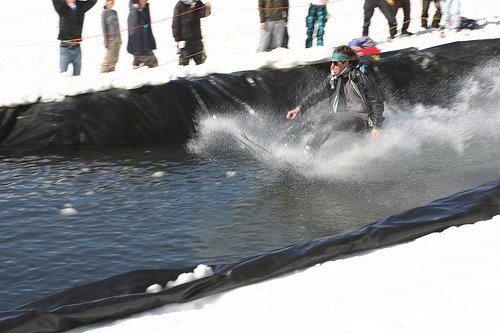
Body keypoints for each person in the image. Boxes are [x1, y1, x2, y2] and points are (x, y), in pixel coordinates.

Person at [286, 45, 384, 140]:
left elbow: (377, 100)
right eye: (332, 62)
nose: (332, 66)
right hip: (350, 114)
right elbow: (319, 93)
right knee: (313, 120)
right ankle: (289, 145)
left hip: (365, 120)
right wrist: (299, 108)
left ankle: (308, 153)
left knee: (328, 121)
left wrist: (376, 126)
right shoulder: (334, 78)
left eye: (336, 63)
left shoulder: (361, 76)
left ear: (346, 63)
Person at [52, 0, 97, 76]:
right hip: (65, 49)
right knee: (63, 76)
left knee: (77, 77)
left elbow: (92, 1)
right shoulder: (62, 7)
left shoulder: (81, 6)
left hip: (77, 49)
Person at [172, 0, 211, 66]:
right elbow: (175, 23)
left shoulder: (197, 2)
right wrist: (177, 38)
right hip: (185, 40)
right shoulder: (179, 5)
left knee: (201, 61)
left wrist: (207, 8)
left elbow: (203, 14)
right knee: (184, 63)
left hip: (197, 37)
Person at [127, 0, 158, 68]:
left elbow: (146, 29)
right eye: (144, 0)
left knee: (153, 66)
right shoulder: (135, 12)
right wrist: (138, 51)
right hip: (141, 50)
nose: (146, 1)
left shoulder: (141, 11)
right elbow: (134, 33)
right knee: (153, 65)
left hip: (146, 47)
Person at [100, 0, 122, 73]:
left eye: (112, 1)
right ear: (106, 2)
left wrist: (120, 37)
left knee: (115, 58)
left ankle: (111, 72)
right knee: (109, 57)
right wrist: (106, 40)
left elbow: (117, 25)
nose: (111, 3)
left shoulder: (114, 12)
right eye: (109, 1)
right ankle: (103, 71)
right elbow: (104, 27)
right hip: (110, 38)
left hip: (118, 37)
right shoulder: (104, 12)